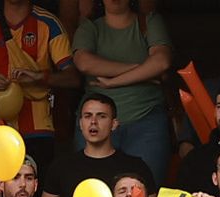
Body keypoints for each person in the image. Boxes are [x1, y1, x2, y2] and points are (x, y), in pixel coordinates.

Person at [0, 0, 77, 170]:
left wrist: (40, 77)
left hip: (37, 127)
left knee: (32, 187)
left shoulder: (48, 23)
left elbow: (73, 78)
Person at [71, 0, 174, 182]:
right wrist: (143, 70)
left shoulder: (149, 22)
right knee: (92, 193)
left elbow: (161, 61)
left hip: (147, 120)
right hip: (97, 121)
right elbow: (84, 63)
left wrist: (113, 82)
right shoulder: (90, 27)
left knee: (142, 192)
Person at [39, 93, 155, 197]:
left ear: (114, 124)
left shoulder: (136, 167)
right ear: (80, 123)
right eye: (88, 116)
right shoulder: (61, 166)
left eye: (101, 116)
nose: (93, 121)